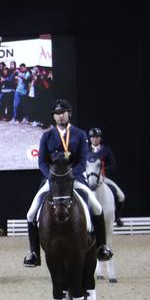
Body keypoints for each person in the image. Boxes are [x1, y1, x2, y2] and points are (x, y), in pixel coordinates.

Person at [23, 99, 113, 267]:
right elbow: (42, 161)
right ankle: (34, 253)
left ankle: (102, 247)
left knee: (96, 207)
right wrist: (51, 176)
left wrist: (71, 175)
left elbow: (83, 160)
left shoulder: (80, 134)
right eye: (57, 114)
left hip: (74, 179)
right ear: (54, 117)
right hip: (53, 181)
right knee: (31, 213)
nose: (60, 116)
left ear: (69, 114)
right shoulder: (47, 136)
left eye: (63, 113)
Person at [86, 127, 126, 221]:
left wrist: (104, 170)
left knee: (121, 196)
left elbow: (114, 165)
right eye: (92, 137)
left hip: (102, 178)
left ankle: (117, 217)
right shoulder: (86, 151)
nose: (95, 139)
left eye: (97, 137)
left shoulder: (106, 150)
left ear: (100, 138)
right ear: (90, 139)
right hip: (88, 179)